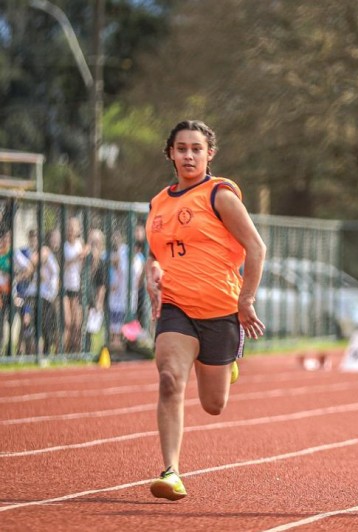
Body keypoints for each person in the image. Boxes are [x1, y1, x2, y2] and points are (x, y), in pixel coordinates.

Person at [146, 120, 267, 501]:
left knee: (213, 405)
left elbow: (257, 248)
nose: (188, 155)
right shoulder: (158, 203)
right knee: (169, 380)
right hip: (176, 307)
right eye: (181, 148)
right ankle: (171, 471)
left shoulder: (220, 195)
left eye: (196, 148)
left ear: (209, 154)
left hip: (221, 310)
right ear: (170, 153)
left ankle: (226, 362)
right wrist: (151, 273)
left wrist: (245, 301)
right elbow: (157, 253)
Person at [62, 217, 88, 353]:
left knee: (76, 324)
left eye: (74, 227)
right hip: (65, 288)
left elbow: (85, 266)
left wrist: (87, 254)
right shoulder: (64, 245)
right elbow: (63, 266)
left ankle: (75, 352)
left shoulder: (80, 244)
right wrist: (76, 258)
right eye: (70, 227)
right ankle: (64, 352)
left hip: (77, 287)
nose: (71, 230)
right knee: (67, 322)